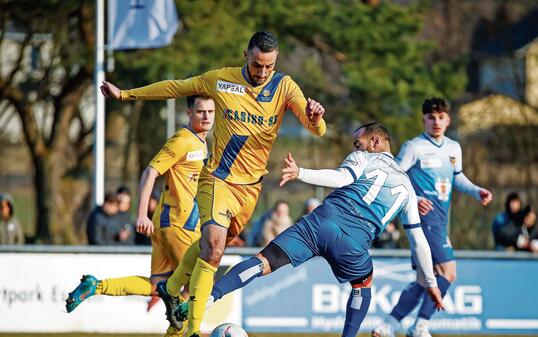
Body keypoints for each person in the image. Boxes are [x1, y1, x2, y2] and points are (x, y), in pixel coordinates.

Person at [100, 31, 326, 336]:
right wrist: (127, 94)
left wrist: (316, 117)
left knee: (210, 247)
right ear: (246, 55)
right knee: (213, 249)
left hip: (250, 190)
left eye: (268, 66)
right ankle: (193, 330)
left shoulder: (284, 86)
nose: (262, 72)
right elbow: (176, 87)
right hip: (218, 180)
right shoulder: (221, 80)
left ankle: (169, 287)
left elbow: (317, 130)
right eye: (257, 64)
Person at [174, 122, 444, 337]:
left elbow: (340, 179)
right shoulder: (408, 187)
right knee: (363, 285)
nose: (355, 146)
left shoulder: (364, 157)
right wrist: (430, 282)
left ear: (375, 141)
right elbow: (418, 240)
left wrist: (301, 172)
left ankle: (207, 299)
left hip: (320, 223)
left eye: (358, 142)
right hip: (354, 242)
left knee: (262, 262)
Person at [66, 95, 215, 337]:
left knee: (158, 286)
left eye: (210, 111)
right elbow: (150, 172)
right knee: (193, 291)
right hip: (180, 225)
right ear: (189, 113)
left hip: (169, 222)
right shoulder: (183, 140)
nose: (206, 116)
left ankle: (96, 285)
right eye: (201, 111)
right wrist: (141, 213)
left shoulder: (200, 142)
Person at [373, 98, 493, 337]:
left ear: (448, 119)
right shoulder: (413, 147)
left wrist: (475, 190)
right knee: (448, 273)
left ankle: (387, 326)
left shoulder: (453, 148)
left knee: (422, 281)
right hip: (423, 220)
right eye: (431, 117)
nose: (436, 121)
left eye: (440, 117)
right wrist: (415, 198)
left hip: (440, 220)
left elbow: (456, 177)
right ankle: (420, 326)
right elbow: (392, 176)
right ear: (423, 119)